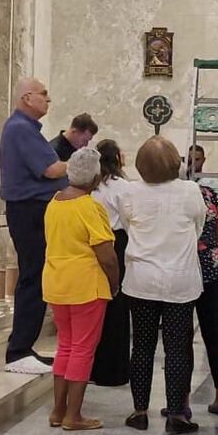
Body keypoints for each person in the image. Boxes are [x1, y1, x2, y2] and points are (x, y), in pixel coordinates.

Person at [118, 136, 206, 434]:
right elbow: (199, 226)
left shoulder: (130, 192)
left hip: (142, 278)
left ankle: (139, 412)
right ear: (175, 163)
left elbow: (128, 227)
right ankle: (177, 415)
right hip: (179, 280)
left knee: (141, 346)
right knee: (178, 348)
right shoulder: (190, 191)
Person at [42, 148, 119, 431]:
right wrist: (114, 281)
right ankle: (73, 415)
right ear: (96, 176)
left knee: (65, 345)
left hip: (56, 281)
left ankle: (58, 410)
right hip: (86, 285)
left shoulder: (54, 202)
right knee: (83, 349)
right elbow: (106, 254)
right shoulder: (90, 206)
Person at [0, 76, 68, 373]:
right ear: (27, 98)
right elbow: (51, 169)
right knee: (33, 277)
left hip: (33, 210)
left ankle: (25, 347)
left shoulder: (26, 129)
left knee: (37, 276)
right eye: (44, 94)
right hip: (30, 211)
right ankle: (19, 352)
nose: (48, 99)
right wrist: (83, 163)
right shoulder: (20, 129)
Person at [167, 175, 218, 419]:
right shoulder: (212, 197)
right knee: (213, 333)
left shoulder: (177, 198)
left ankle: (182, 400)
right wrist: (214, 255)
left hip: (185, 268)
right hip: (213, 269)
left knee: (183, 336)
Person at [88, 139, 132, 387]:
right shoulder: (121, 186)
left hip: (91, 244)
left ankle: (92, 368)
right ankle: (114, 370)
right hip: (115, 241)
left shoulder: (91, 186)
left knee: (95, 305)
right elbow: (128, 219)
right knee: (116, 305)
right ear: (116, 158)